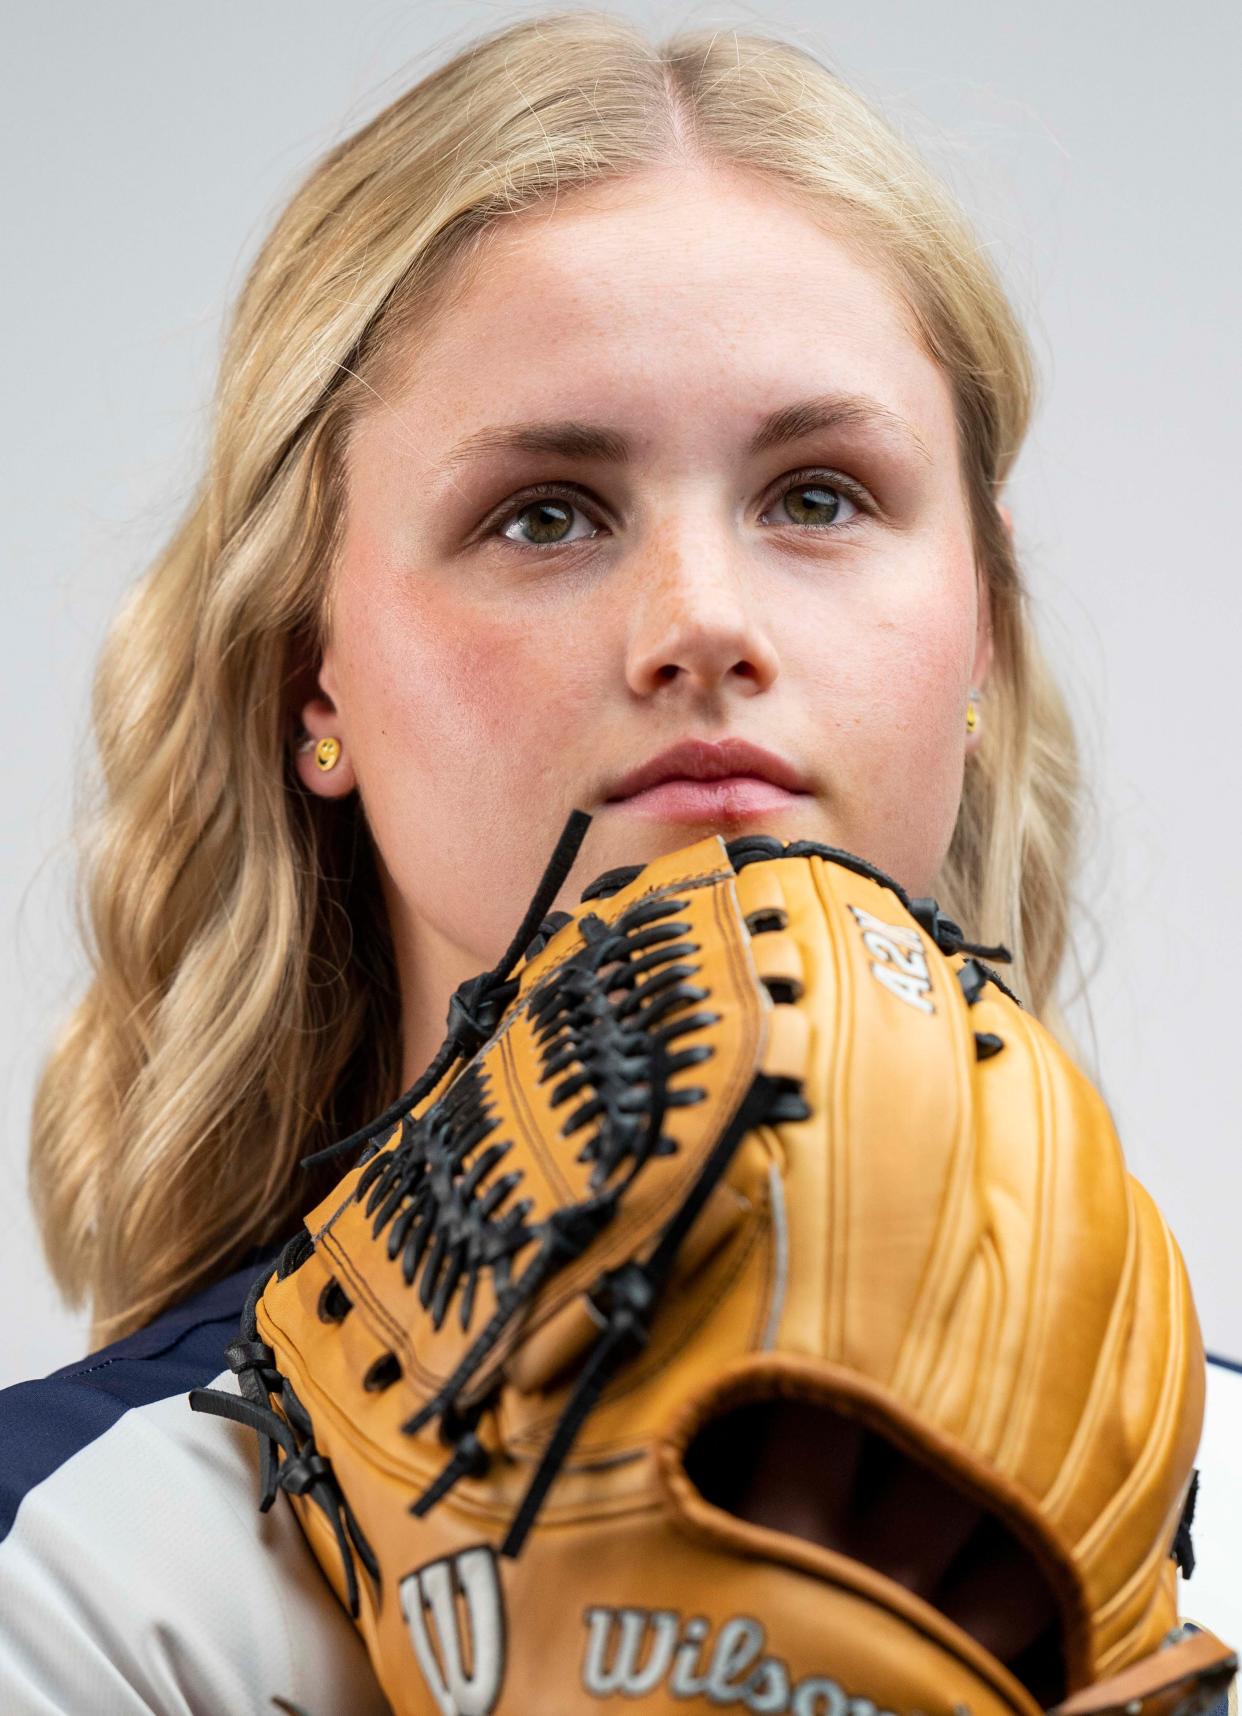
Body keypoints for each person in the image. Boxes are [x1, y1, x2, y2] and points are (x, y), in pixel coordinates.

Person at [2, 10, 1236, 1713]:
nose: (702, 624)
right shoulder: (69, 1574)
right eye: (546, 514)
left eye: (816, 495)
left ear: (984, 639)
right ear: (315, 679)